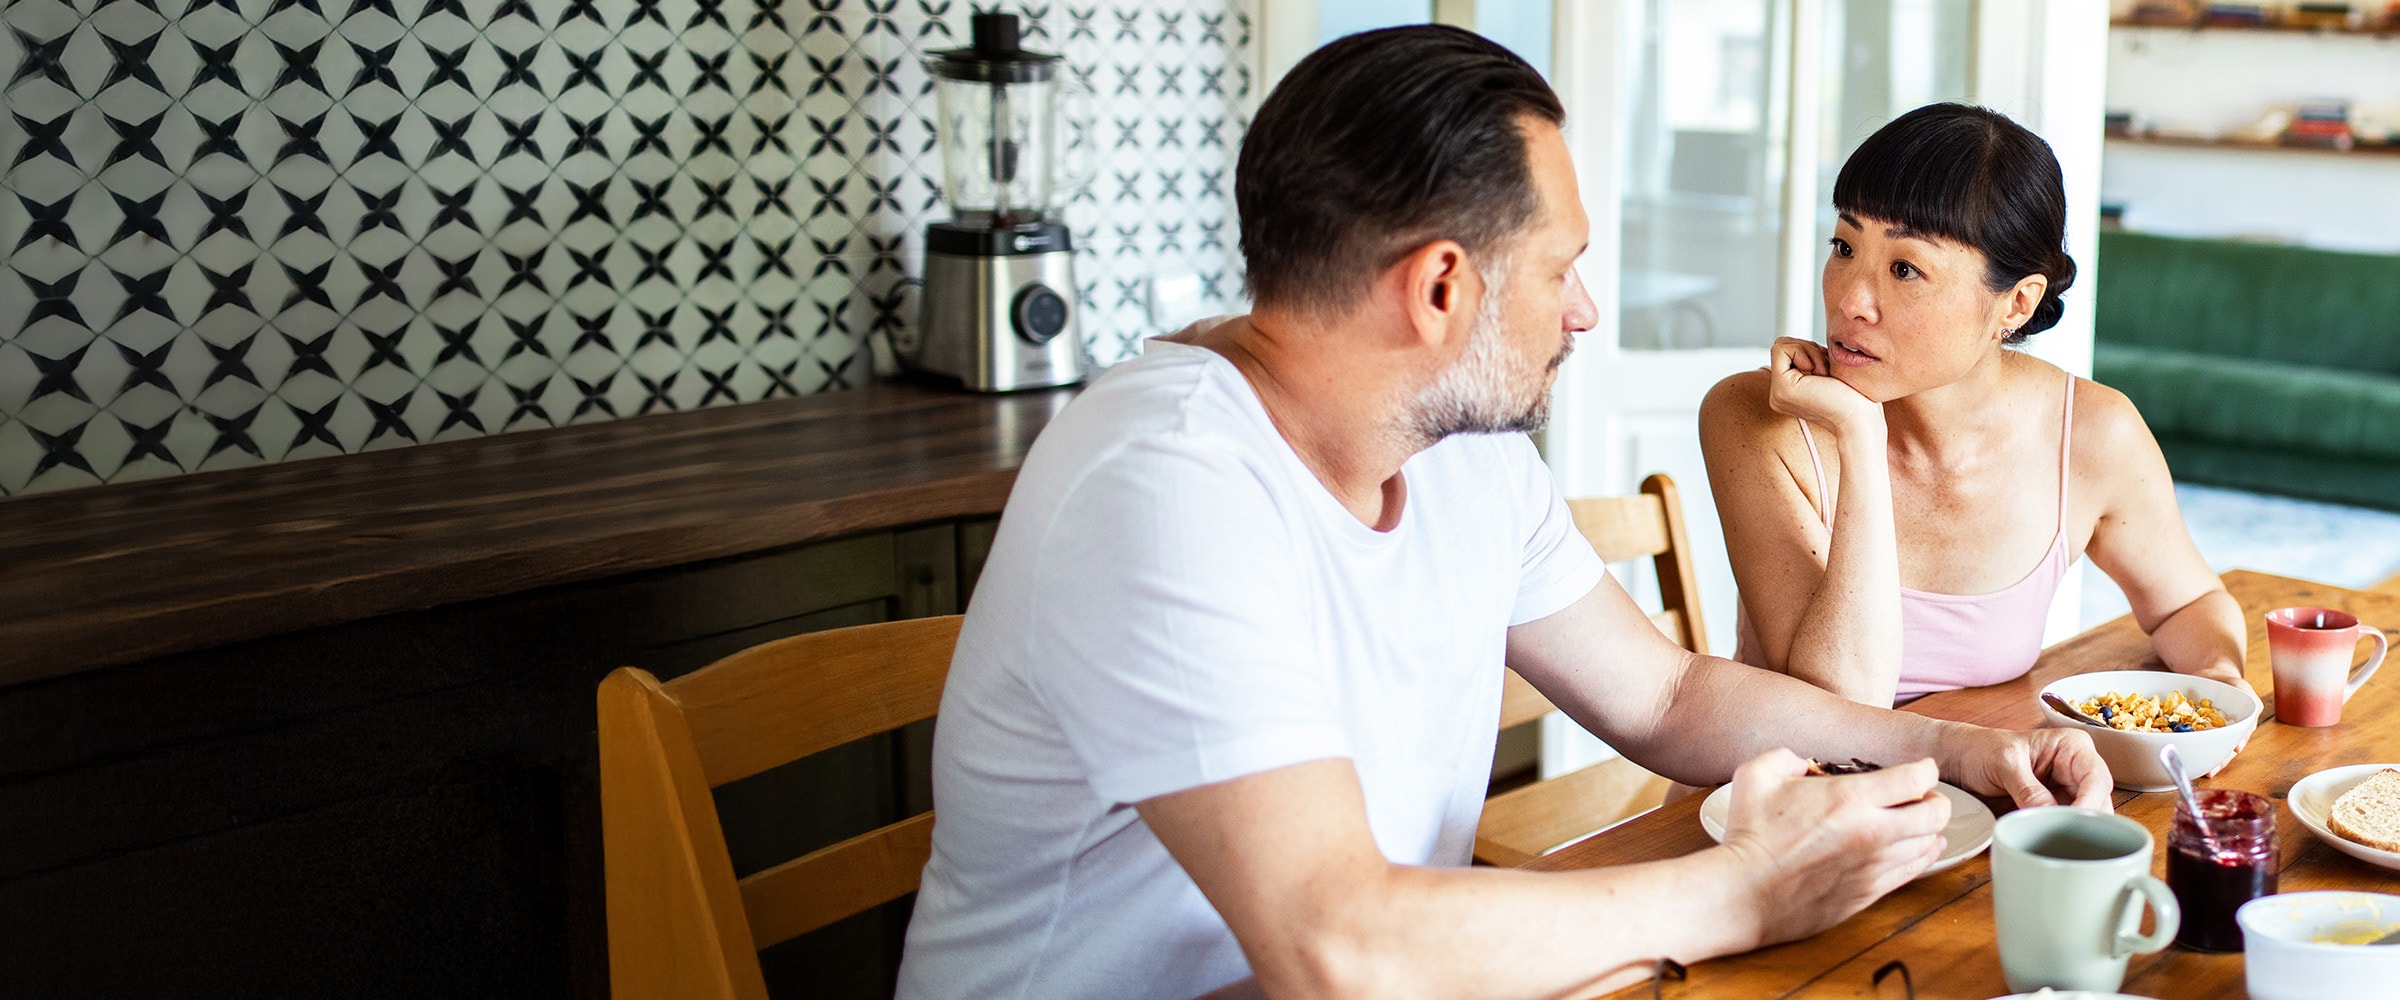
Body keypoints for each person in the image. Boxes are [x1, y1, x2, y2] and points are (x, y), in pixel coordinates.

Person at [896, 32, 2111, 1000]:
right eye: (1558, 268)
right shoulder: (1164, 487)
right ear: (1440, 287)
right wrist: (1745, 890)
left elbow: (1670, 698)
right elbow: (1338, 950)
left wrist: (1949, 750)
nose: (1583, 312)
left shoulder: (1462, 453)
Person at [1700, 104, 2251, 710]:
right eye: (1844, 245)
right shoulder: (1758, 419)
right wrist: (1859, 433)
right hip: (1778, 795)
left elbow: (2187, 604)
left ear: (2016, 305)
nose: (1851, 299)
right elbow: (1838, 704)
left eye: (1905, 268)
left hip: (1984, 788)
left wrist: (2219, 682)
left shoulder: (2091, 434)